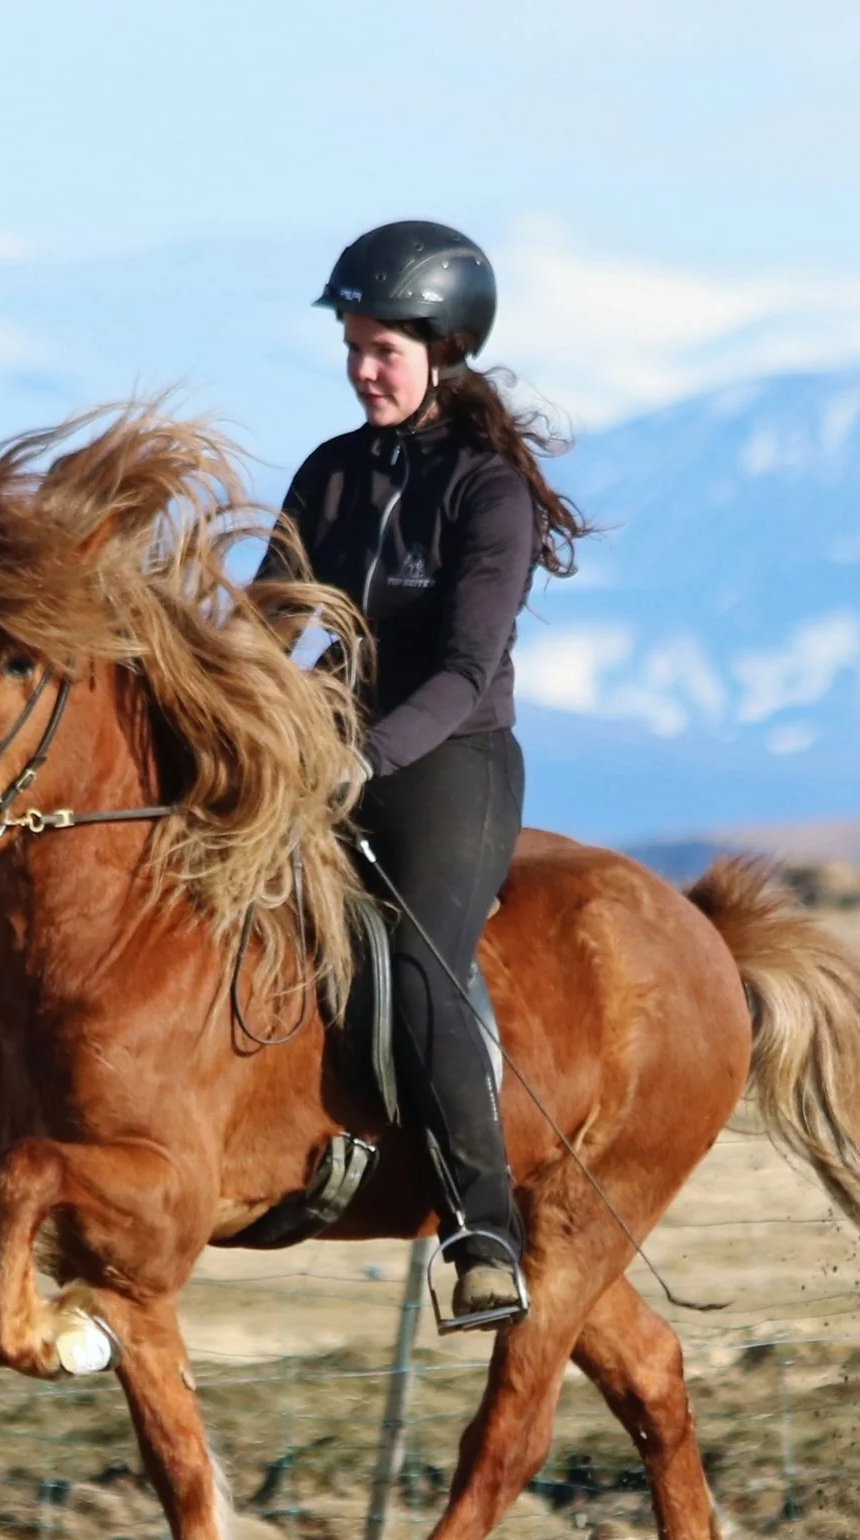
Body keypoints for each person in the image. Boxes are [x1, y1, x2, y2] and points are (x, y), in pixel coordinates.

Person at [262, 220, 591, 1330]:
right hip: (328, 753)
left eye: (382, 351)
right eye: (353, 346)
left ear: (444, 349)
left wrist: (364, 755)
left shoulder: (485, 489)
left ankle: (481, 1231)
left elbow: (462, 667)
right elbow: (269, 623)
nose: (362, 369)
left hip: (449, 761)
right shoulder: (329, 472)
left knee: (418, 957)